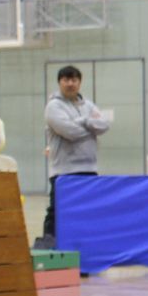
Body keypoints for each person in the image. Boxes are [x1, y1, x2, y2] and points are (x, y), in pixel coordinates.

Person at [38, 65, 111, 250]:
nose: (70, 84)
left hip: (89, 169)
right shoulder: (53, 106)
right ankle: (49, 249)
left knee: (88, 211)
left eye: (74, 80)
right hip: (64, 171)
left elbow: (103, 125)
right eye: (66, 80)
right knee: (56, 212)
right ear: (59, 82)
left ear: (79, 82)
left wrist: (84, 121)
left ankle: (87, 249)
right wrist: (89, 123)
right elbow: (69, 131)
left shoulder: (88, 104)